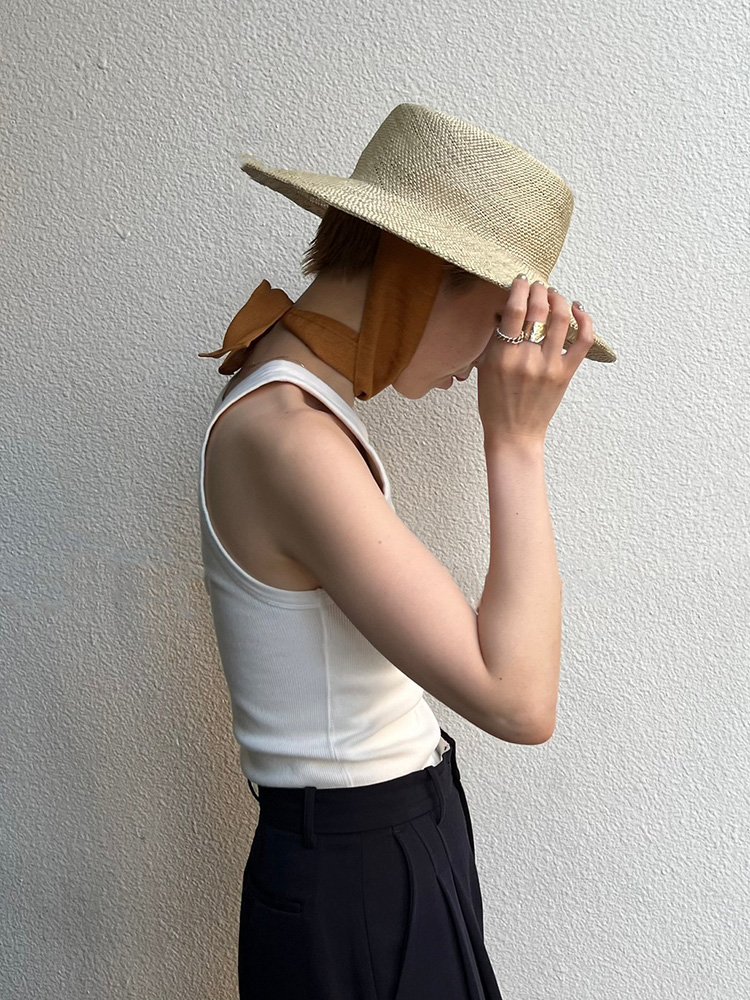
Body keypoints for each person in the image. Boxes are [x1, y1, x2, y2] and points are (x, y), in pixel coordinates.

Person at [197, 103, 616, 1000]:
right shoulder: (290, 436)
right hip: (361, 872)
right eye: (501, 320)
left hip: (379, 856)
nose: (497, 358)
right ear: (422, 274)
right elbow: (519, 700)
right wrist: (516, 443)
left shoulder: (299, 408)